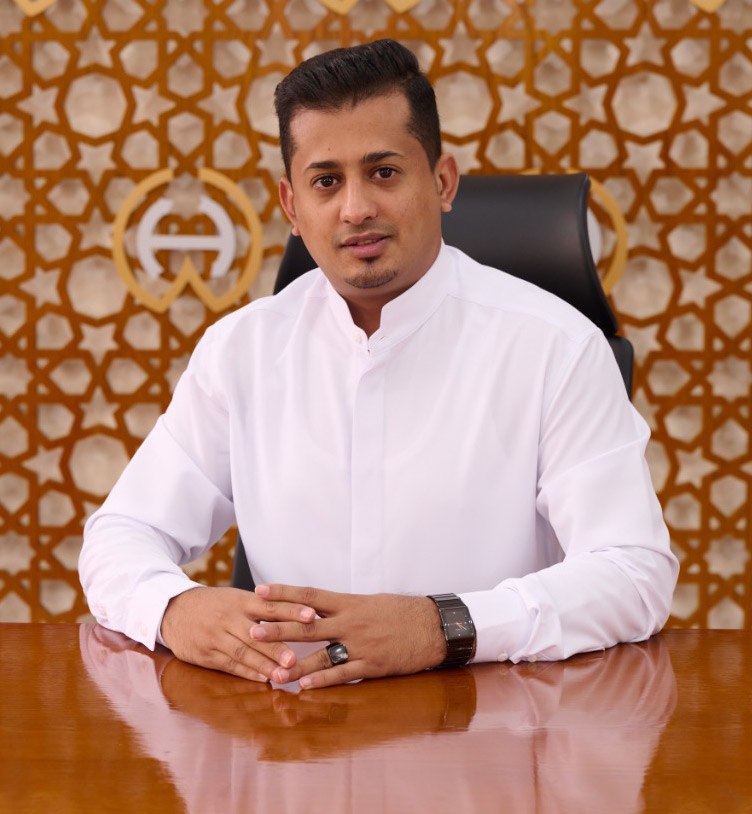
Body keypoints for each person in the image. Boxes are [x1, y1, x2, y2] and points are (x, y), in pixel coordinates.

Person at [80, 39, 678, 690]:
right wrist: (173, 608)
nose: (356, 208)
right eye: (326, 181)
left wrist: (442, 626)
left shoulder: (555, 347)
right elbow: (121, 534)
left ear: (442, 182)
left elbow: (634, 574)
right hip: (290, 726)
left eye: (384, 173)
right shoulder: (242, 350)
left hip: (487, 720)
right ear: (291, 207)